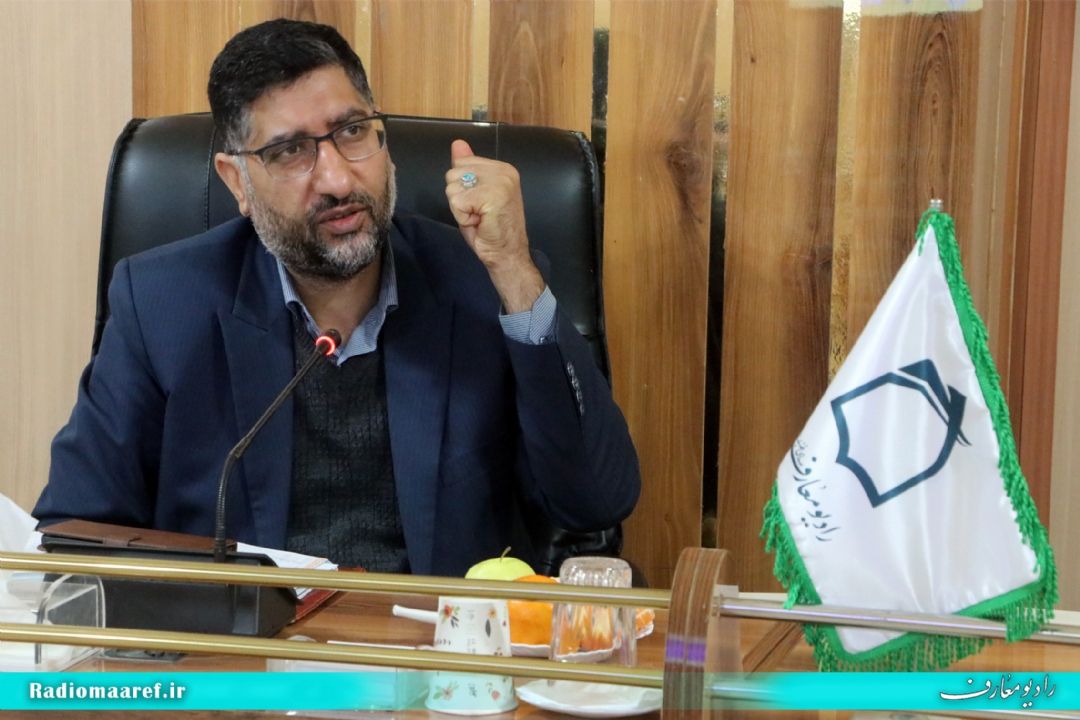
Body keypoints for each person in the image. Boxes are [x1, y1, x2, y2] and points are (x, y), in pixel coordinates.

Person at [33, 19, 640, 576]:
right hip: (245, 648)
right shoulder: (163, 303)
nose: (338, 179)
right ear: (236, 180)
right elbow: (76, 530)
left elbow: (595, 501)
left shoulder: (484, 282)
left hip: (439, 647)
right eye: (289, 151)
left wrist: (513, 271)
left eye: (352, 132)